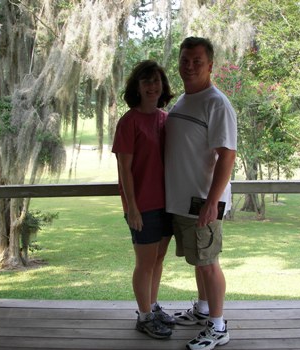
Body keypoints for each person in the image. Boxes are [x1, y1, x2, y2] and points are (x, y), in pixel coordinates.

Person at [165, 37, 238, 350]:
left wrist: (211, 203)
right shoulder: (183, 100)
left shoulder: (215, 102)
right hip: (184, 201)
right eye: (185, 59)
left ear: (210, 65)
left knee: (209, 263)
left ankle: (219, 327)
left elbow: (228, 155)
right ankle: (203, 310)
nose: (190, 66)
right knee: (199, 261)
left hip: (203, 202)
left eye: (197, 60)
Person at [112, 60, 176, 339]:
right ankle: (144, 316)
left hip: (168, 203)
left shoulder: (165, 118)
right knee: (145, 262)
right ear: (136, 87)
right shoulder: (129, 122)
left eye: (156, 81)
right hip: (143, 205)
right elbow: (124, 170)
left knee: (159, 259)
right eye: (146, 81)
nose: (152, 86)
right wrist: (133, 208)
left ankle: (152, 305)